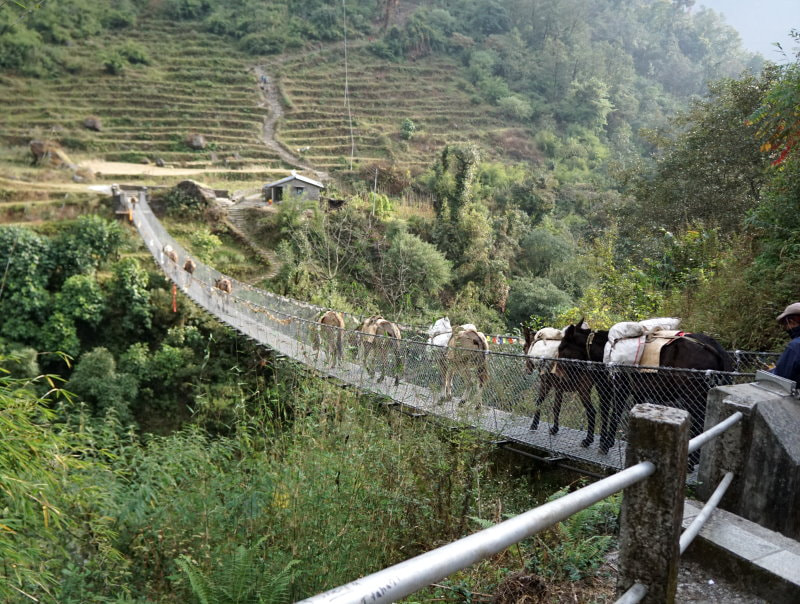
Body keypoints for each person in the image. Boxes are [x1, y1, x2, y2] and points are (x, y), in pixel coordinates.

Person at [772, 302, 800, 383]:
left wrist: (772, 371)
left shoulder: (795, 346)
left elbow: (781, 378)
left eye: (785, 324)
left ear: (791, 321)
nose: (786, 328)